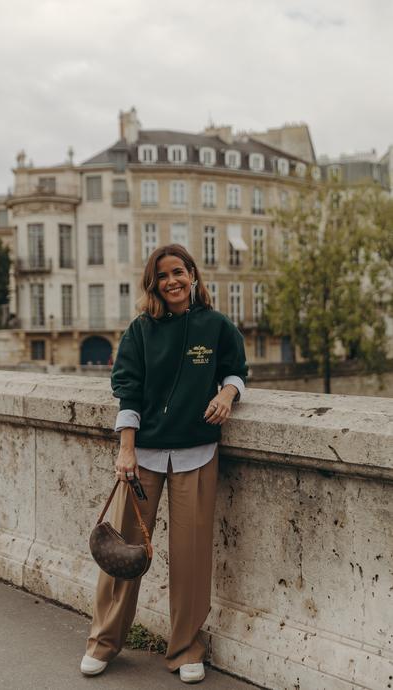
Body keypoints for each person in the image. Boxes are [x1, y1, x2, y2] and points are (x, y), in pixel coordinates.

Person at [81, 244, 248, 683]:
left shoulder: (216, 325)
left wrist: (227, 394)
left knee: (192, 558)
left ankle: (185, 648)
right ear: (153, 284)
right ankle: (103, 641)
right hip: (145, 457)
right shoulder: (140, 330)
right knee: (124, 551)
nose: (172, 280)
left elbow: (236, 370)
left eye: (179, 271)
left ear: (192, 274)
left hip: (198, 452)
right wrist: (126, 448)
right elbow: (128, 389)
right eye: (163, 276)